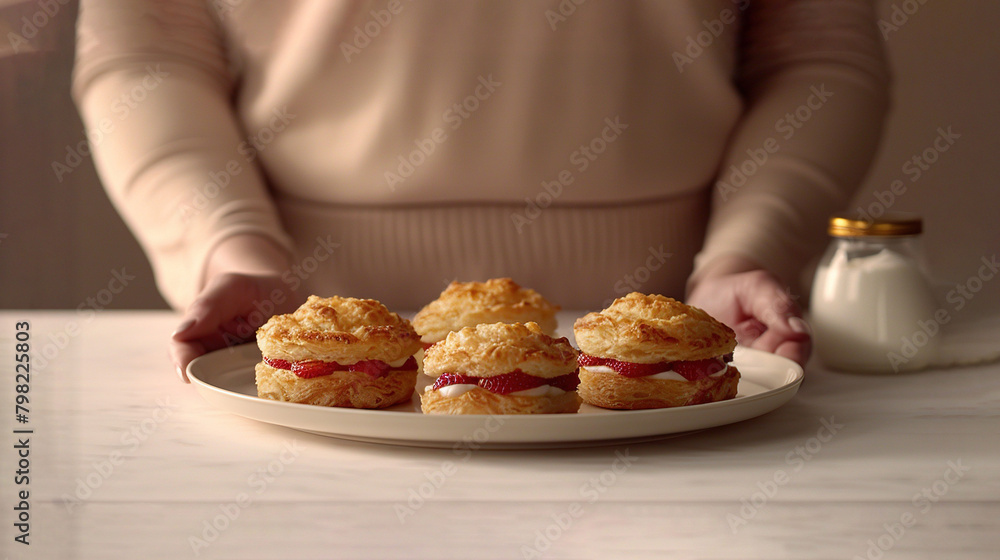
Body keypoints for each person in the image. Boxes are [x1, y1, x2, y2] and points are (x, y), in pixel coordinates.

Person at [72, 0, 889, 380]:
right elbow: (147, 53)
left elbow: (815, 55)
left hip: (691, 340)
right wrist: (230, 242)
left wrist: (750, 246)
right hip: (280, 331)